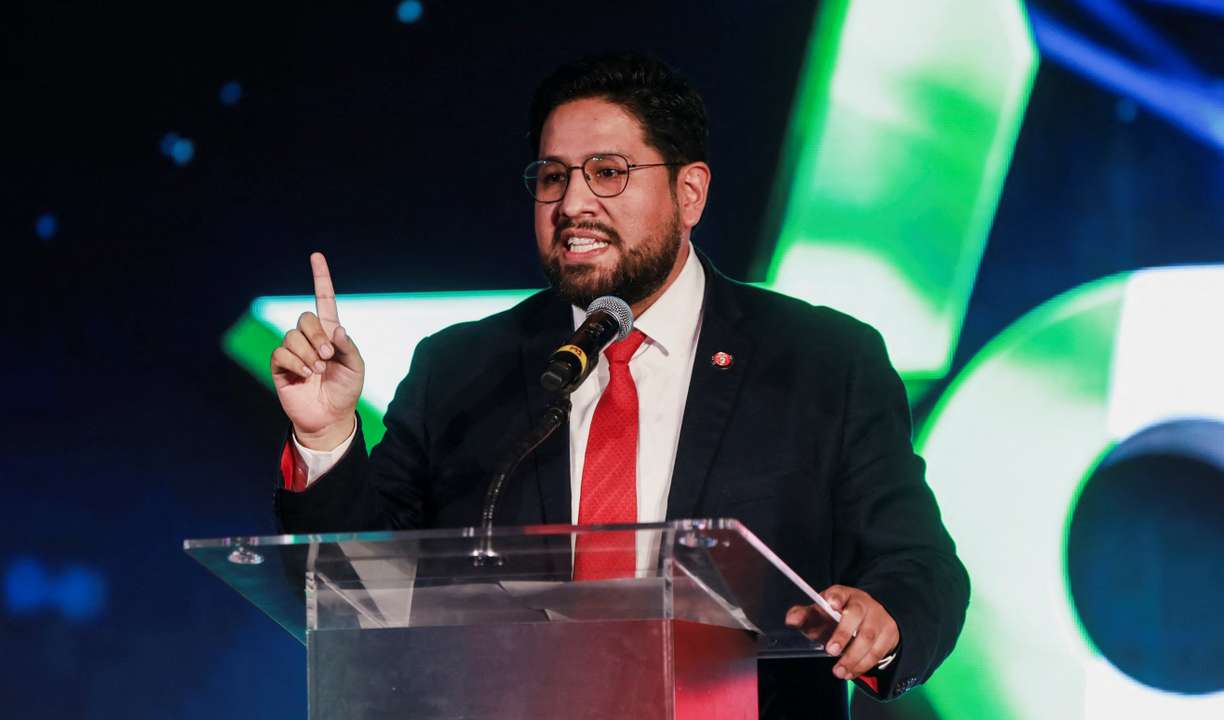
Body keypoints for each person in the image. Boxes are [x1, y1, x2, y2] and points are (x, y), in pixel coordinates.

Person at [268, 53, 968, 718]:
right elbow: (357, 590)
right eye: (552, 177)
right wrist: (325, 435)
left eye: (606, 172)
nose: (573, 202)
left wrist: (886, 618)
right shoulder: (462, 368)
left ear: (689, 193)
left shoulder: (823, 361)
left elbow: (919, 565)